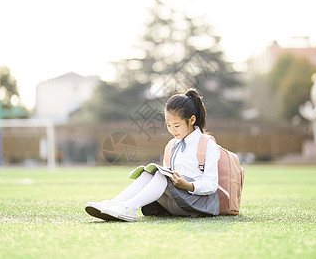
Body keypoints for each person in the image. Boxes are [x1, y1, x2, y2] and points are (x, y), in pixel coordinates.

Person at [85, 88, 220, 222]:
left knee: (161, 175)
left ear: (191, 120)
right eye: (168, 125)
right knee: (149, 173)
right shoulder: (172, 145)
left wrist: (188, 185)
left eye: (177, 126)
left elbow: (212, 184)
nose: (172, 130)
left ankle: (129, 207)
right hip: (177, 203)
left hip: (200, 205)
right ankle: (114, 204)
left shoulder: (207, 144)